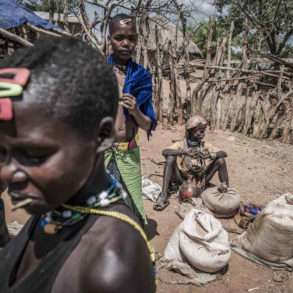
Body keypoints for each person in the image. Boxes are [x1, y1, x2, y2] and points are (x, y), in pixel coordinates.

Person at [0, 37, 155, 293]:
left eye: (35, 154)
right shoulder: (56, 203)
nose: (8, 174)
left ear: (102, 137)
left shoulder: (111, 269)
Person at [106, 14, 157, 224]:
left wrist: (135, 111)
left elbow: (148, 124)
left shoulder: (142, 77)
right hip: (100, 155)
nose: (126, 43)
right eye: (119, 37)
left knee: (130, 215)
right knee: (93, 213)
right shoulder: (97, 72)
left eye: (131, 38)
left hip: (128, 154)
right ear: (110, 38)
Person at [154, 115, 229, 211]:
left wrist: (210, 155)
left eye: (203, 131)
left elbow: (224, 153)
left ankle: (227, 192)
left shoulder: (204, 145)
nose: (203, 134)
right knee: (170, 158)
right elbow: (165, 152)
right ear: (191, 131)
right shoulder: (181, 144)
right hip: (183, 180)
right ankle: (163, 196)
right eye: (200, 131)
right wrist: (183, 152)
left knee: (221, 160)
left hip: (201, 180)